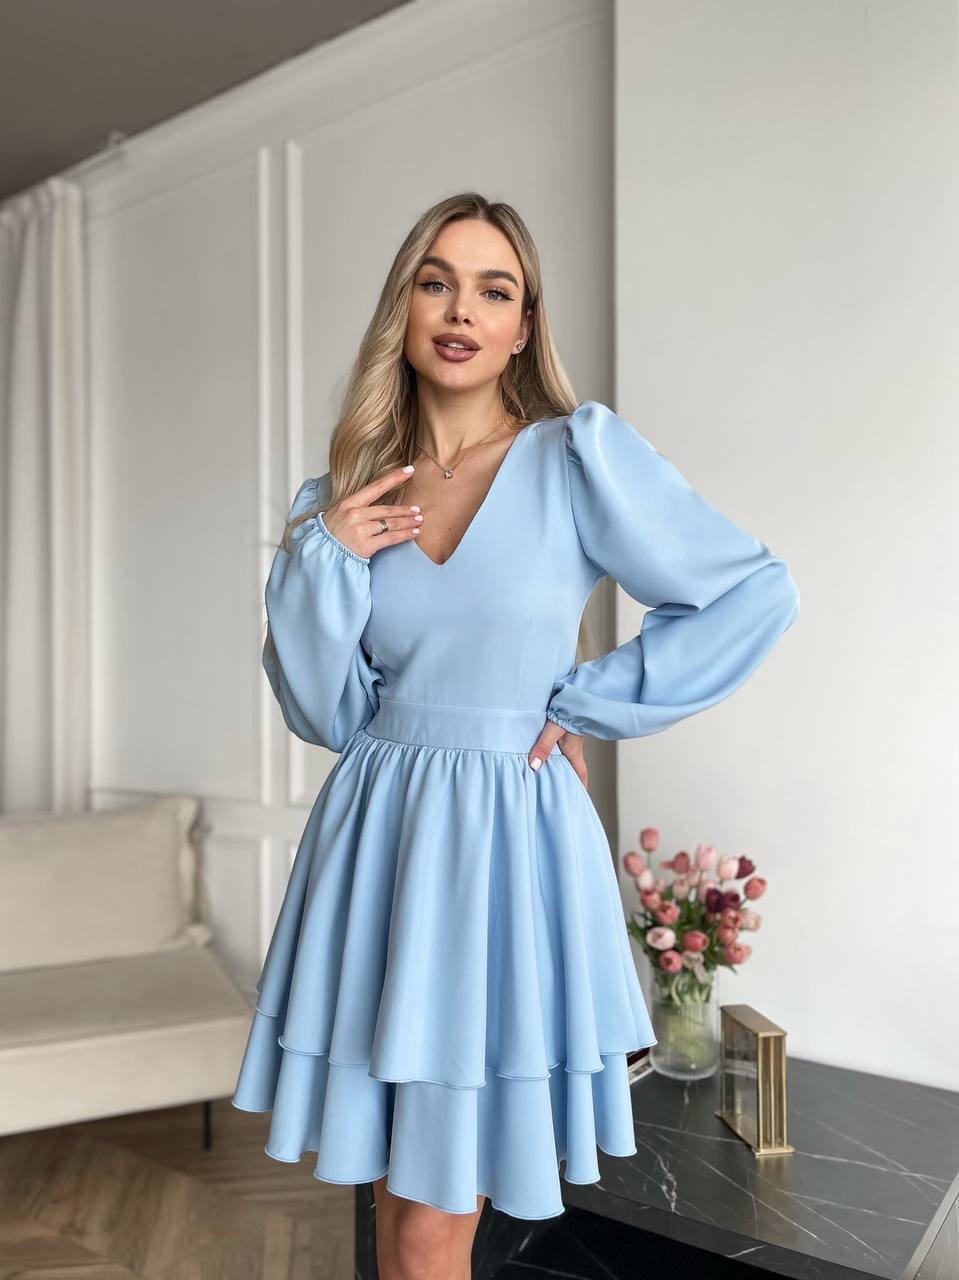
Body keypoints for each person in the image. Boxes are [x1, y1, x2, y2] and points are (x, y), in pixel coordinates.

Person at [231, 191, 799, 1279]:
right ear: (403, 307)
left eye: (494, 291)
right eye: (436, 282)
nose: (461, 310)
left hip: (507, 848)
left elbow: (752, 592)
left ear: (524, 325)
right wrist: (324, 559)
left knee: (429, 1217)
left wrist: (586, 698)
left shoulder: (575, 458)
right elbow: (323, 712)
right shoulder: (340, 501)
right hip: (379, 842)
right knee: (398, 1200)